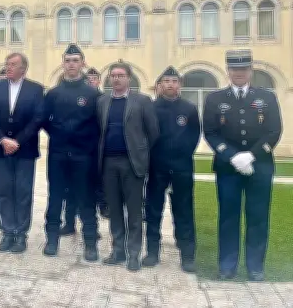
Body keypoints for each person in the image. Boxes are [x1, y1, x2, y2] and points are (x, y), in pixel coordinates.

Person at [203, 50, 282, 282]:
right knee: (228, 217)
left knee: (258, 217)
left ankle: (255, 267)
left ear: (250, 71)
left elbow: (274, 131)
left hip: (260, 167)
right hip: (228, 169)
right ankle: (227, 266)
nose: (239, 73)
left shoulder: (266, 97)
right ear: (228, 71)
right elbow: (210, 132)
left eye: (243, 69)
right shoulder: (215, 99)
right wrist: (232, 156)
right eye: (235, 69)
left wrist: (251, 156)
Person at [97, 62, 159, 271]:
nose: (116, 79)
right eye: (113, 75)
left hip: (132, 163)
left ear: (129, 78)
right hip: (108, 163)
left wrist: (140, 152)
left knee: (133, 212)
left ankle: (134, 254)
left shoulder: (142, 101)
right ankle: (118, 251)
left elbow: (153, 132)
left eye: (121, 75)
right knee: (114, 211)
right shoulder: (103, 102)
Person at [42, 44, 100, 261]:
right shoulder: (53, 94)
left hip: (83, 156)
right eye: (67, 60)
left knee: (86, 200)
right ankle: (52, 240)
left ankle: (91, 244)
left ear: (83, 64)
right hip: (58, 154)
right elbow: (43, 120)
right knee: (55, 198)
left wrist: (82, 141)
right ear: (63, 64)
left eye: (75, 60)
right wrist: (59, 135)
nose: (71, 64)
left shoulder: (93, 94)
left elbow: (98, 125)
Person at [142, 66, 200, 273]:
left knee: (184, 211)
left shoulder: (189, 109)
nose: (170, 85)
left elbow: (194, 136)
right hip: (157, 167)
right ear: (159, 85)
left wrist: (180, 157)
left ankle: (187, 256)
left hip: (182, 168)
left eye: (174, 81)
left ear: (180, 85)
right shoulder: (150, 107)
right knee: (153, 211)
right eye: (166, 81)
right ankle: (151, 252)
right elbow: (145, 136)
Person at [0, 52, 44, 254]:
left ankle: (21, 234)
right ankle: (8, 232)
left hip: (24, 150)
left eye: (12, 64)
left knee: (23, 192)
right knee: (4, 191)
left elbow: (37, 119)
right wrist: (2, 139)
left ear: (23, 69)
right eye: (6, 64)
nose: (7, 67)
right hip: (0, 149)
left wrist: (17, 141)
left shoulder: (36, 89)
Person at [85, 67, 108, 218]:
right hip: (84, 143)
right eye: (89, 79)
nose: (91, 81)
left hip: (100, 143)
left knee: (102, 177)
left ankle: (104, 205)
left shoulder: (104, 98)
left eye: (94, 78)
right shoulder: (82, 97)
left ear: (99, 81)